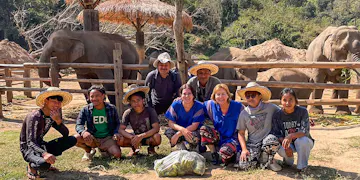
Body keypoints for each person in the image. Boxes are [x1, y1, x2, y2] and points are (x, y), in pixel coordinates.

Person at [20, 87, 77, 179]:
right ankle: (31, 166)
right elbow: (30, 142)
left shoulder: (51, 115)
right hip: (29, 149)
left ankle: (43, 160)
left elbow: (65, 134)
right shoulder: (34, 116)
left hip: (41, 146)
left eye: (59, 102)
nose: (57, 105)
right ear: (46, 101)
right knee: (44, 164)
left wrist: (58, 121)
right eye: (54, 101)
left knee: (72, 139)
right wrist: (45, 154)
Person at [236, 82, 282, 171]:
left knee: (271, 140)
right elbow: (241, 133)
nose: (250, 98)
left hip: (267, 140)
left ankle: (270, 160)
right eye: (247, 96)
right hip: (253, 143)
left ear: (260, 96)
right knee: (245, 166)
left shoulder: (271, 107)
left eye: (253, 95)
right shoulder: (244, 113)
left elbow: (285, 112)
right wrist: (244, 149)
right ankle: (261, 159)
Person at [271, 88, 314, 173]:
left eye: (291, 100)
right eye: (284, 100)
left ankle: (302, 166)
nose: (287, 103)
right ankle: (288, 161)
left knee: (303, 140)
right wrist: (286, 146)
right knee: (284, 153)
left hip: (301, 141)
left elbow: (305, 131)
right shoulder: (277, 115)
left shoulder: (302, 111)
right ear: (281, 102)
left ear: (296, 101)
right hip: (286, 143)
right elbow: (276, 133)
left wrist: (291, 135)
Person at [200, 84, 243, 165]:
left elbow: (248, 116)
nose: (221, 97)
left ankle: (230, 155)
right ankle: (214, 154)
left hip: (232, 139)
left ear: (228, 95)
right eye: (218, 94)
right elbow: (195, 105)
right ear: (214, 96)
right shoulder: (210, 105)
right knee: (204, 129)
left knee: (225, 153)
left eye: (223, 94)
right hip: (218, 137)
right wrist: (182, 99)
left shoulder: (238, 106)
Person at [75, 85, 121, 161]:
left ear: (103, 96)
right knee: (75, 138)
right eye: (92, 96)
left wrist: (115, 132)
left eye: (97, 96)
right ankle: (88, 151)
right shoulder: (85, 109)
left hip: (107, 137)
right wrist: (83, 132)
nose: (94, 99)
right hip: (92, 137)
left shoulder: (111, 108)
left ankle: (103, 149)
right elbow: (79, 124)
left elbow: (117, 123)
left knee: (117, 155)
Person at [118, 84, 161, 156]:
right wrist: (132, 137)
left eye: (138, 100)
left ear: (143, 100)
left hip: (148, 136)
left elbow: (156, 128)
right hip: (134, 137)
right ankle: (133, 148)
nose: (136, 103)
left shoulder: (150, 111)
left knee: (157, 137)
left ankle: (151, 148)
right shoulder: (128, 112)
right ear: (130, 103)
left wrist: (141, 136)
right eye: (133, 101)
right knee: (120, 139)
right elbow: (121, 129)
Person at [164, 84, 205, 151]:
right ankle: (181, 148)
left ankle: (194, 148)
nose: (187, 96)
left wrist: (178, 134)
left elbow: (194, 126)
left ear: (193, 95)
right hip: (180, 130)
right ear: (180, 95)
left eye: (189, 93)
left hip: (193, 131)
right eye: (184, 94)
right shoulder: (176, 104)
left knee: (193, 136)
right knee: (169, 132)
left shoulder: (199, 106)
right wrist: (182, 130)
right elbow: (171, 123)